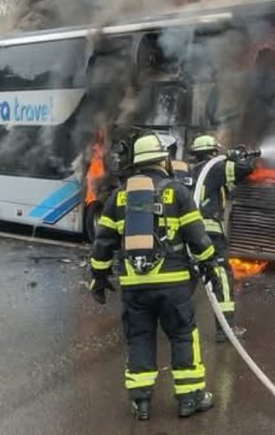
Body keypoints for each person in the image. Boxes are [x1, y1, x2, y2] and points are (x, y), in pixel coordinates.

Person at [89, 133, 222, 421]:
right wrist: (210, 264)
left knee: (139, 338)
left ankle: (141, 402)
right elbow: (197, 236)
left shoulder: (118, 197)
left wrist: (98, 276)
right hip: (173, 284)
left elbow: (103, 242)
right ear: (163, 160)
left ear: (137, 164)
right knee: (183, 336)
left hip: (134, 286)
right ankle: (190, 398)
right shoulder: (178, 192)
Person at [188, 134, 257, 342]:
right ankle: (225, 329)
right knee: (222, 277)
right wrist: (238, 157)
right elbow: (245, 169)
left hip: (190, 233)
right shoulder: (215, 168)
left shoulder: (193, 172)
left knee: (187, 277)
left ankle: (178, 324)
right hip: (210, 233)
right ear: (213, 152)